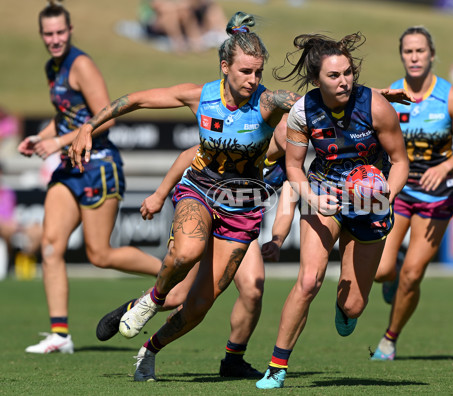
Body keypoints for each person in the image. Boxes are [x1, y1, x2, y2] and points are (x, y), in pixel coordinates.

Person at [69, 12, 302, 381]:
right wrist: (88, 126)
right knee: (187, 251)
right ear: (225, 66)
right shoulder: (201, 97)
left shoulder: (270, 106)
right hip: (199, 190)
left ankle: (151, 348)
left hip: (241, 211)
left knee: (197, 306)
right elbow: (136, 101)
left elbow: (313, 105)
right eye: (245, 72)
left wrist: (369, 100)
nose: (254, 80)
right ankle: (151, 301)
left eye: (258, 72)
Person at [255, 32, 411, 389]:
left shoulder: (376, 106)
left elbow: (400, 161)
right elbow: (293, 167)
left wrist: (386, 192)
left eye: (348, 73)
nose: (344, 81)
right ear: (316, 80)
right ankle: (277, 366)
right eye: (333, 76)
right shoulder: (301, 112)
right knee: (308, 280)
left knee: (354, 306)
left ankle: (346, 308)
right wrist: (312, 197)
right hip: (324, 193)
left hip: (371, 200)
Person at [95, 122, 297, 378]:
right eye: (288, 127)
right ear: (274, 125)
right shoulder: (247, 139)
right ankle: (134, 308)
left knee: (252, 290)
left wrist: (277, 240)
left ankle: (232, 360)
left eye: (300, 130)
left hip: (235, 229)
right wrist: (159, 194)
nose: (294, 134)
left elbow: (288, 204)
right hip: (200, 212)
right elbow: (187, 156)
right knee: (177, 295)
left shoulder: (292, 163)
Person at [18, 1, 163, 354]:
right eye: (48, 34)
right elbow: (67, 116)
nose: (54, 39)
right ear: (42, 35)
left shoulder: (80, 64)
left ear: (70, 32)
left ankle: (173, 272)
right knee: (51, 247)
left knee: (100, 254)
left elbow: (106, 118)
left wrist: (56, 141)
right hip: (70, 167)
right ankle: (60, 335)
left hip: (98, 164)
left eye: (60, 32)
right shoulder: (52, 67)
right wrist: (43, 136)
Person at [370, 26, 453, 361]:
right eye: (408, 51)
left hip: (436, 195)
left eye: (420, 51)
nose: (414, 57)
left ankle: (389, 338)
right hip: (399, 191)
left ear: (431, 54)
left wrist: (444, 167)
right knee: (381, 271)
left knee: (413, 276)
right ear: (401, 55)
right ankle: (395, 266)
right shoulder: (389, 95)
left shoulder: (451, 97)